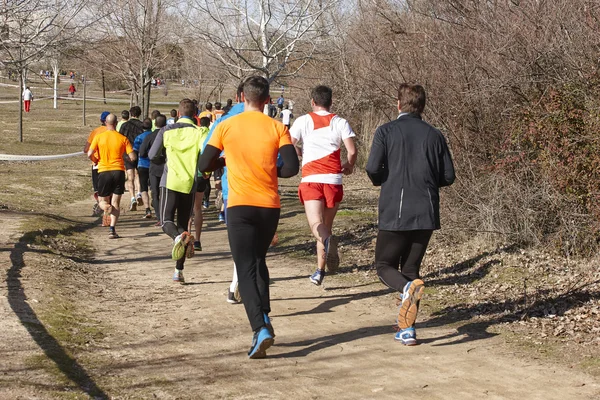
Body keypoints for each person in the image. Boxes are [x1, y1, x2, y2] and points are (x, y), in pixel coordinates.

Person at [198, 76, 299, 359]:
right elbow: (291, 168)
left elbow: (203, 164)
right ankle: (264, 317)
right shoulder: (278, 127)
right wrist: (269, 169)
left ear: (242, 97)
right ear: (268, 100)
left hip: (240, 204)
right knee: (258, 261)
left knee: (245, 267)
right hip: (269, 206)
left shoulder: (226, 125)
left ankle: (259, 328)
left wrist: (224, 160)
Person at [365, 83, 455, 346]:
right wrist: (427, 182)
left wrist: (383, 178)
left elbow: (372, 168)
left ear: (398, 104)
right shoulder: (435, 135)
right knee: (412, 270)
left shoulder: (386, 131)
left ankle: (405, 292)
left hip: (395, 209)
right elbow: (448, 176)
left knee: (384, 267)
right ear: (423, 106)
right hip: (426, 211)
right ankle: (407, 330)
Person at [290, 85, 357, 286]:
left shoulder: (303, 121)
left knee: (316, 225)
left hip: (312, 178)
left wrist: (299, 154)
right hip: (333, 180)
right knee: (326, 226)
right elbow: (352, 151)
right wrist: (349, 165)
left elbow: (288, 143)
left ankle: (327, 249)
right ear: (331, 102)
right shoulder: (340, 122)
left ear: (313, 102)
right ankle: (319, 271)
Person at [149, 99, 207, 284]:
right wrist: (204, 172)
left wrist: (163, 157)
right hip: (189, 183)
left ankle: (177, 237)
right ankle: (178, 271)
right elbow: (206, 155)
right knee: (183, 225)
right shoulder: (200, 132)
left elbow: (152, 155)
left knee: (167, 221)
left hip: (170, 181)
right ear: (194, 114)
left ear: (179, 114)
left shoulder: (166, 131)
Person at [87, 114, 137, 239]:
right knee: (116, 203)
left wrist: (95, 160)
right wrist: (124, 157)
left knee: (102, 201)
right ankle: (112, 229)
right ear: (116, 123)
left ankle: (106, 207)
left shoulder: (99, 137)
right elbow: (133, 157)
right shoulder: (122, 138)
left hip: (103, 171)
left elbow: (89, 153)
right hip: (118, 171)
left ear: (105, 122)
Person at [139, 114, 167, 227]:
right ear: (165, 124)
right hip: (168, 167)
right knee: (166, 193)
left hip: (154, 167)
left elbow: (142, 152)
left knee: (155, 193)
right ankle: (167, 217)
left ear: (155, 124)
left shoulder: (150, 136)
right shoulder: (169, 135)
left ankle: (160, 218)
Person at [189, 116, 211, 251]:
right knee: (197, 208)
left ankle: (187, 237)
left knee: (187, 208)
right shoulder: (207, 136)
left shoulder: (192, 137)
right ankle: (197, 240)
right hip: (201, 175)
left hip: (190, 175)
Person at [84, 111, 110, 222]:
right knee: (109, 191)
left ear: (101, 120)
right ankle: (107, 213)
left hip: (97, 164)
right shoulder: (115, 132)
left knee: (99, 190)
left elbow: (86, 149)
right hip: (112, 166)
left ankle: (101, 207)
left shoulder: (95, 132)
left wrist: (94, 159)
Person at [119, 106, 144, 211]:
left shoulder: (125, 125)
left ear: (130, 114)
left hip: (128, 154)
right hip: (139, 153)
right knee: (138, 174)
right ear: (139, 114)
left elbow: (120, 138)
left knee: (130, 176)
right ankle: (139, 193)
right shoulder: (142, 125)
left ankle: (132, 197)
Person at [133, 118, 155, 219]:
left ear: (142, 127)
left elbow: (135, 152)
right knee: (154, 186)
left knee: (144, 187)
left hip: (142, 164)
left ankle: (147, 209)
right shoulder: (156, 136)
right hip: (155, 164)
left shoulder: (139, 138)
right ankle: (155, 202)